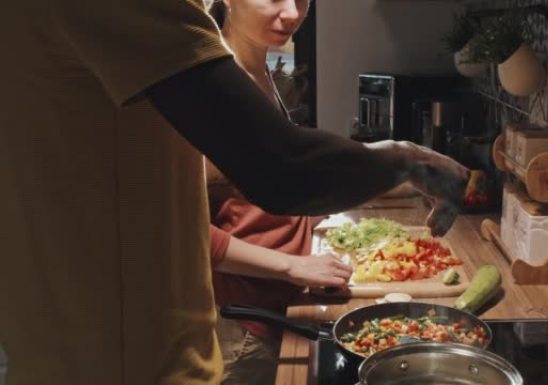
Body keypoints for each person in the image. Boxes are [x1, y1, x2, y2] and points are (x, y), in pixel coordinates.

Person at [0, 1, 470, 385]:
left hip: (80, 351)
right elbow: (284, 169)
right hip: (131, 364)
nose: (289, 12)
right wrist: (412, 159)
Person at [204, 1, 346, 383]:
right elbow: (184, 230)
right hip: (244, 327)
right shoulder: (212, 91)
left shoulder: (257, 72)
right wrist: (293, 265)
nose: (292, 14)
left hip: (281, 308)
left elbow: (250, 196)